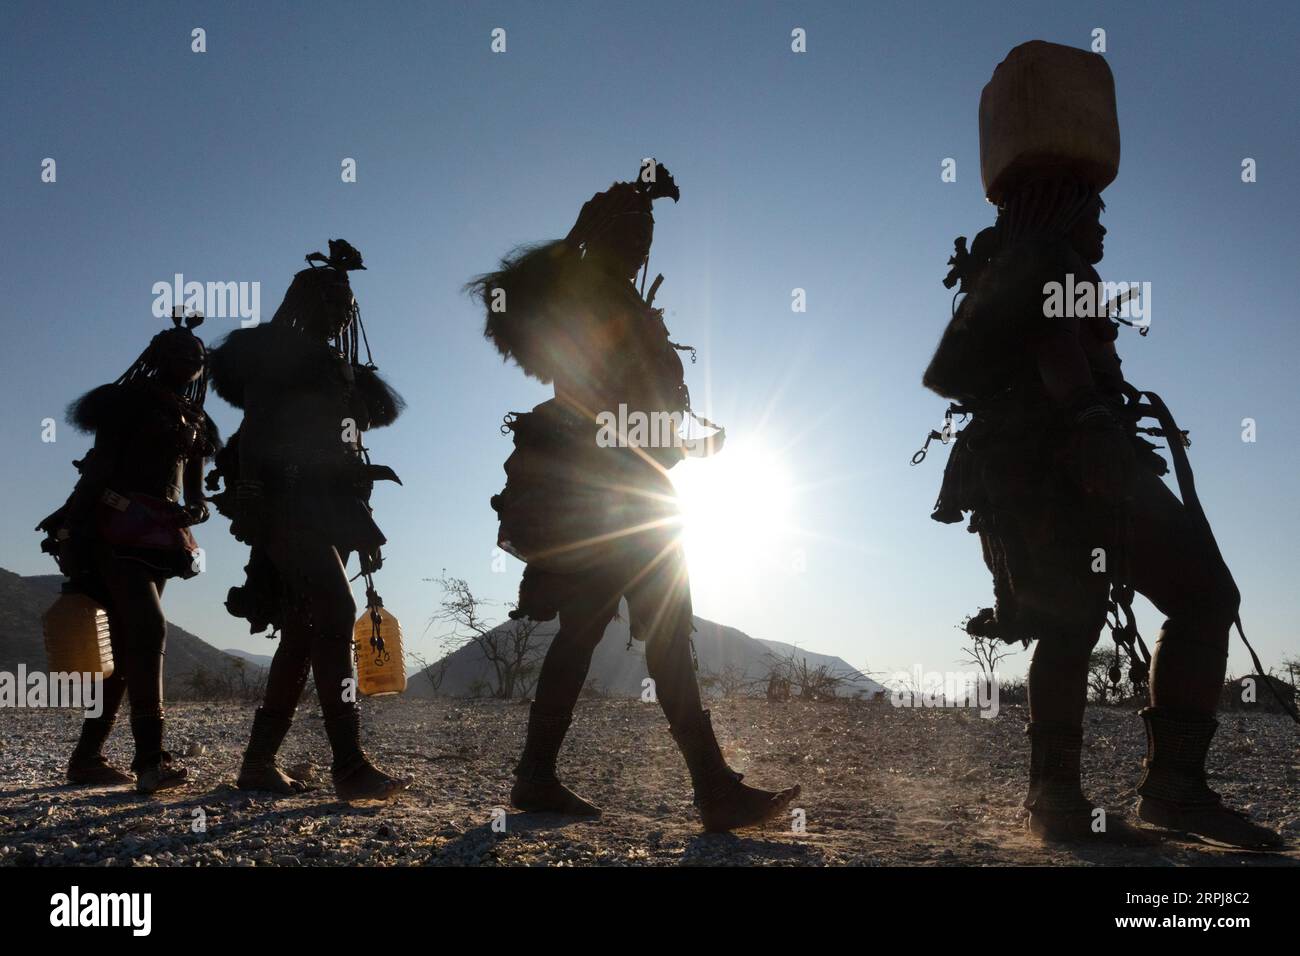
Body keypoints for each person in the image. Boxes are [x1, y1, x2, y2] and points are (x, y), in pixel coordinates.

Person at [923, 176, 1282, 849]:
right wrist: (1092, 420)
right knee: (1203, 593)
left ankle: (1059, 799)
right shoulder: (1052, 261)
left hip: (1034, 472)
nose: (1106, 226)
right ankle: (1162, 791)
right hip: (1068, 463)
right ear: (1064, 206)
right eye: (1096, 210)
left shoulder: (1023, 262)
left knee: (1073, 620)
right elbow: (1052, 343)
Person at [469, 161, 800, 832]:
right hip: (612, 493)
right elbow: (534, 325)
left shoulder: (615, 299)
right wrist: (575, 235)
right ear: (603, 234)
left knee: (592, 629)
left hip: (629, 488)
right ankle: (712, 788)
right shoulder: (580, 298)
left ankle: (539, 776)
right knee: (663, 631)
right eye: (632, 227)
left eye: (648, 228)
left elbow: (633, 411)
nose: (643, 239)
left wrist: (685, 446)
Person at [207, 239, 409, 801]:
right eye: (334, 300)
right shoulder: (279, 359)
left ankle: (257, 764)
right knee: (335, 609)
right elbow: (257, 425)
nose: (343, 311)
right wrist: (249, 493)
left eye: (348, 304)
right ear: (307, 302)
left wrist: (360, 520)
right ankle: (348, 765)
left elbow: (348, 450)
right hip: (284, 502)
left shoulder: (337, 371)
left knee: (301, 630)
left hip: (328, 505)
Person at [38, 313, 218, 793]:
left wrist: (195, 515)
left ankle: (87, 757)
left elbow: (196, 495)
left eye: (198, 358)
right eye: (181, 353)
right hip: (113, 527)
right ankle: (150, 760)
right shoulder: (128, 406)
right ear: (158, 356)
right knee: (147, 627)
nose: (191, 363)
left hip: (161, 536)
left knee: (125, 648)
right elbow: (99, 469)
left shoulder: (196, 421)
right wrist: (70, 522)